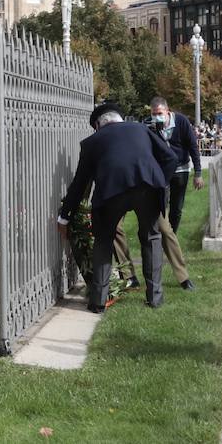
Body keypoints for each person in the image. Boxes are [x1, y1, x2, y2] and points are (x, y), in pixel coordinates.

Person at [57, 101, 177, 311]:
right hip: (147, 187)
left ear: (97, 126)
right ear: (121, 118)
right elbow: (171, 158)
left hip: (110, 193)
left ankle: (98, 302)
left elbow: (80, 183)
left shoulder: (91, 142)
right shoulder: (142, 129)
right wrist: (160, 181)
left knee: (103, 241)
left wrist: (64, 216)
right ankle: (155, 298)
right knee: (151, 237)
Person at [148, 97, 203, 232]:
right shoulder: (150, 126)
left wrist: (198, 173)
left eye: (159, 113)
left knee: (176, 207)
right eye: (153, 114)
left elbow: (193, 147)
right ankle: (161, 233)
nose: (157, 117)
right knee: (160, 203)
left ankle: (172, 235)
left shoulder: (181, 121)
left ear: (167, 111)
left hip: (181, 169)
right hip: (162, 171)